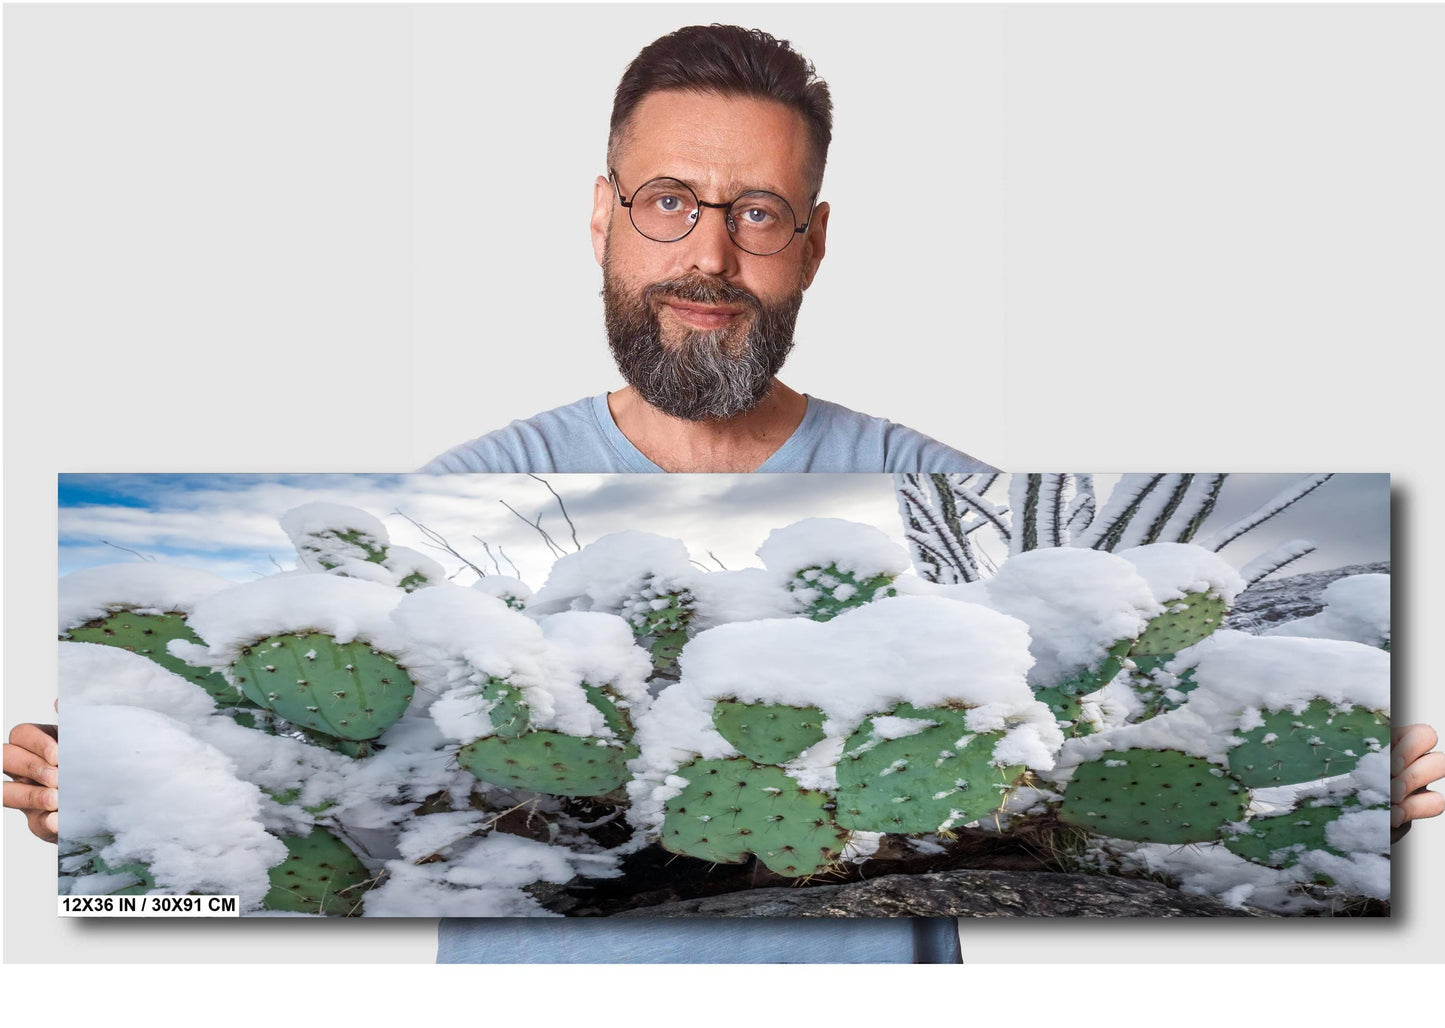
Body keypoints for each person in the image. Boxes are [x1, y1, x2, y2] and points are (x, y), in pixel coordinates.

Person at [9, 24, 1443, 963]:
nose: (710, 252)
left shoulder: (950, 492)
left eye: (756, 212)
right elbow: (378, 806)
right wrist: (107, 803)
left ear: (810, 243)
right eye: (668, 201)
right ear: (602, 213)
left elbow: (1052, 761)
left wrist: (1369, 781)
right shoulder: (455, 498)